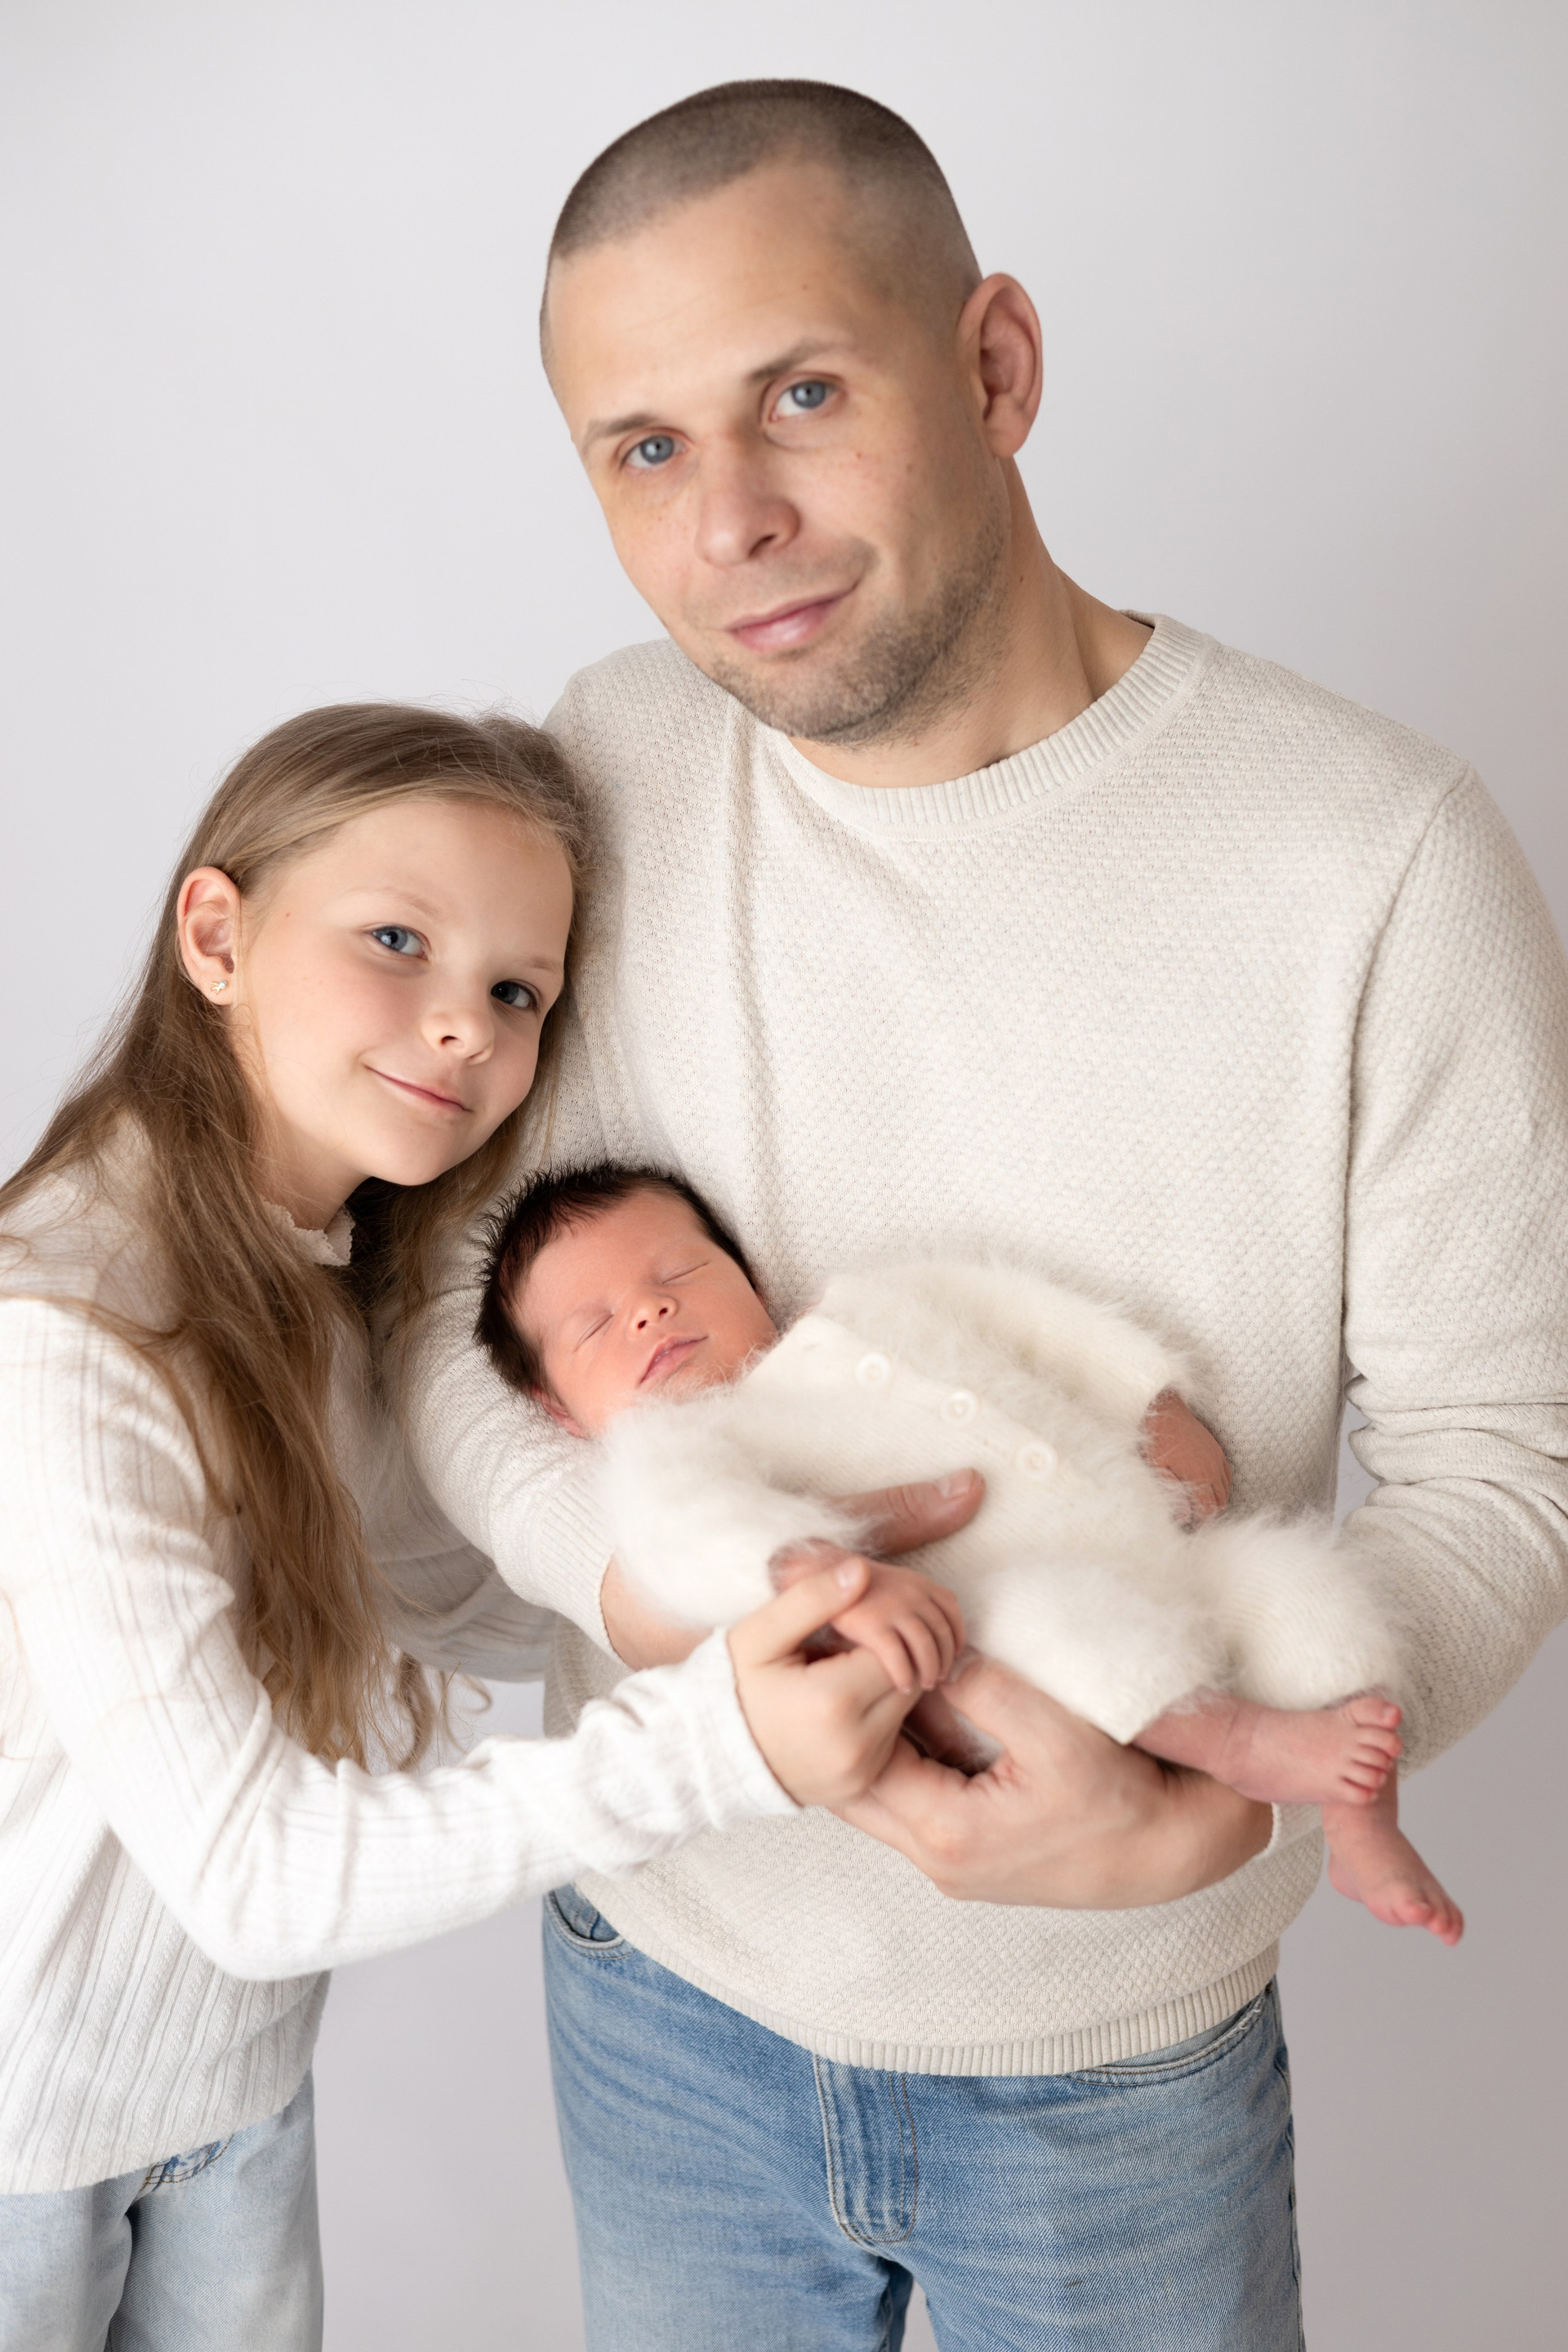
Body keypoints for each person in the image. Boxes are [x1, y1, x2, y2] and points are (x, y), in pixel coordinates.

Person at [407, 78, 1568, 2352]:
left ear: (997, 365)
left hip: (1113, 2065)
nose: (730, 520)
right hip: (658, 1983)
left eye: (802, 396)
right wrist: (646, 1588)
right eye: (640, 448)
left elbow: (1503, 1465)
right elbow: (452, 1287)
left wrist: (1221, 1803)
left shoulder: (1378, 856)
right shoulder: (608, 762)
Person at [0, 702, 944, 2352]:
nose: (462, 1027)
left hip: (228, 2103)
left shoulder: (323, 1277)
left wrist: (823, 1535)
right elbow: (252, 1878)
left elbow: (457, 1594)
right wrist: (723, 1745)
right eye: (397, 942)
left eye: (517, 991)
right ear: (216, 937)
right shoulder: (72, 1335)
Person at [477, 1159, 1463, 1942]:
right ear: (558, 1411)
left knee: (1303, 1583)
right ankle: (1239, 1743)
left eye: (678, 1274)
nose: (648, 1310)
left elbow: (1032, 1322)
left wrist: (1148, 1402)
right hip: (1006, 1621)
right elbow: (684, 1533)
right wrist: (820, 1573)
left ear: (750, 1277)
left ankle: (1362, 1823)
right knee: (1050, 1623)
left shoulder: (877, 1301)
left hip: (1165, 1555)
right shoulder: (678, 1449)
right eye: (595, 1325)